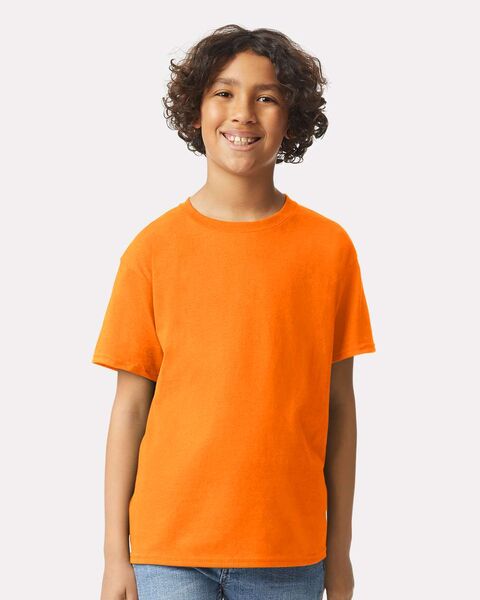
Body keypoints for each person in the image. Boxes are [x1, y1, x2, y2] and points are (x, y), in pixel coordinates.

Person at [92, 24, 376, 600]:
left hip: (288, 551)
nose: (243, 112)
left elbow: (340, 409)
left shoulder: (329, 249)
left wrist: (340, 551)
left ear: (291, 119)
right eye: (224, 92)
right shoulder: (152, 251)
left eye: (266, 97)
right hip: (168, 552)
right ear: (196, 111)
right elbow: (129, 409)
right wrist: (115, 556)